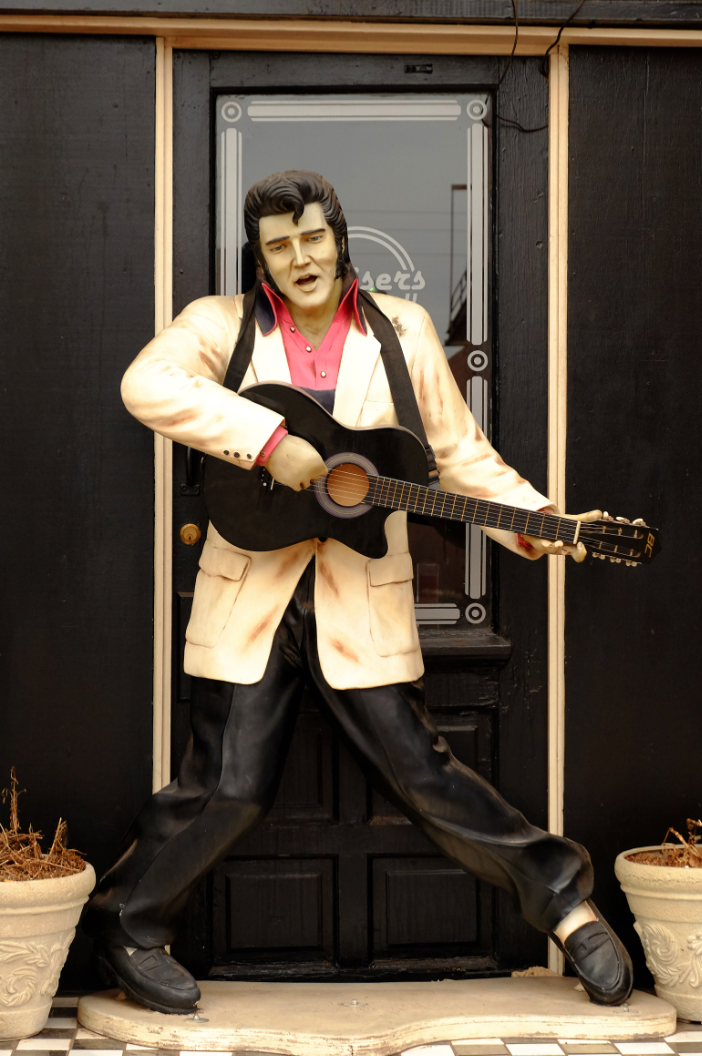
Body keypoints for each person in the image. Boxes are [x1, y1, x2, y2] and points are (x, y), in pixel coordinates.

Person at [83, 170, 633, 1015]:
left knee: (425, 775)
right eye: (279, 246)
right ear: (260, 258)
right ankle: (126, 924)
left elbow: (458, 455)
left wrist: (543, 522)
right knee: (229, 787)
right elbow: (146, 384)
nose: (300, 258)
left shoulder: (402, 329)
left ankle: (566, 906)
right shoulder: (220, 325)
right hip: (251, 593)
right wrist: (269, 440)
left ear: (339, 238)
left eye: (312, 237)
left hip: (360, 593)